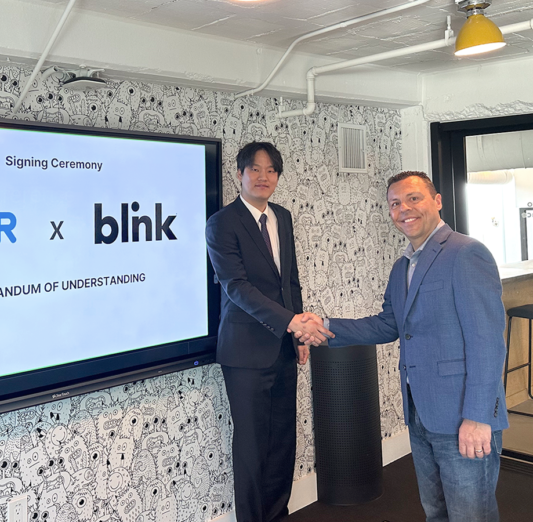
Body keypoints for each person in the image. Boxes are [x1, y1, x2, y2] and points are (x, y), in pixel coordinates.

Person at [301, 171, 509, 522]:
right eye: (395, 203)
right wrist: (325, 325)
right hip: (420, 413)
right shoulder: (402, 267)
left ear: (437, 201)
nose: (404, 209)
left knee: (472, 515)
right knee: (436, 512)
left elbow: (487, 342)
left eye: (414, 198)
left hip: (463, 415)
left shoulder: (466, 253)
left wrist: (477, 417)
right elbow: (388, 324)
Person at [205, 142, 331, 522]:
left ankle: (278, 515)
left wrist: (298, 336)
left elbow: (289, 281)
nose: (263, 177)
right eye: (255, 169)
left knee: (281, 442)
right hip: (245, 353)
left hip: (284, 348)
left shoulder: (283, 217)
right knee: (252, 447)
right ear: (239, 174)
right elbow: (237, 287)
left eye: (271, 170)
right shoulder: (222, 223)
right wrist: (292, 322)